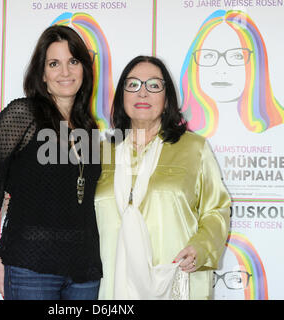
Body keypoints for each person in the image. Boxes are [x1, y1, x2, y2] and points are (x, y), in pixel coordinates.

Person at [0, 25, 102, 300]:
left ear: (84, 69)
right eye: (54, 63)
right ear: (42, 73)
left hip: (84, 271)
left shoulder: (90, 129)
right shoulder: (23, 114)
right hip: (31, 268)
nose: (65, 72)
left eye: (73, 61)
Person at [95, 55, 231, 299]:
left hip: (176, 281)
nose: (143, 93)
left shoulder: (194, 148)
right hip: (111, 285)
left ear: (167, 100)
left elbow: (216, 210)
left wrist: (201, 247)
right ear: (121, 97)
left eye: (154, 85)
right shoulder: (101, 151)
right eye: (133, 85)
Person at [179, 10, 284, 138]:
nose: (221, 70)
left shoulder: (283, 130)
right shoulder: (176, 128)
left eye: (237, 56)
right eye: (209, 55)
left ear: (256, 63)